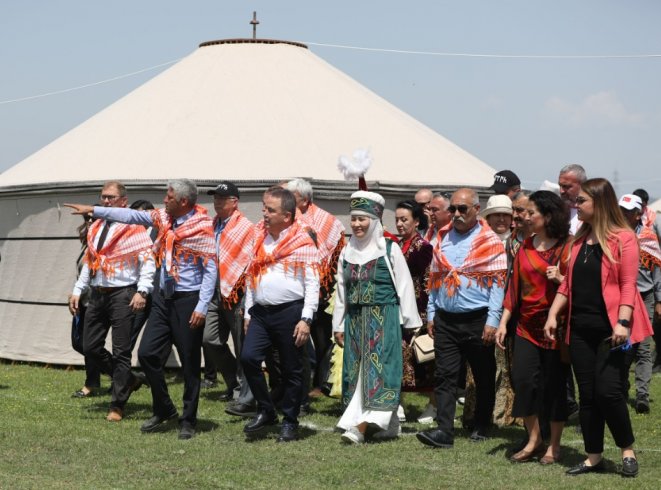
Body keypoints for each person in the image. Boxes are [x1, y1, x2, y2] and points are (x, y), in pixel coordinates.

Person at [66, 179, 217, 440]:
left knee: (190, 362)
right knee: (147, 355)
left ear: (183, 201)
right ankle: (164, 408)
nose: (164, 200)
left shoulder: (201, 228)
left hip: (188, 299)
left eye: (169, 196)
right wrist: (94, 210)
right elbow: (131, 214)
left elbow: (211, 269)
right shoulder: (163, 219)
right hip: (163, 297)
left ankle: (188, 419)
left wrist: (202, 306)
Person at [544, 178, 653, 477]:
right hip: (580, 329)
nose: (575, 205)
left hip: (615, 330)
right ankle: (594, 457)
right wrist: (553, 315)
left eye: (581, 201)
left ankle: (627, 451)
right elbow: (567, 284)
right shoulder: (578, 240)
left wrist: (623, 322)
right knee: (588, 396)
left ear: (599, 203)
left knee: (609, 392)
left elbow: (629, 284)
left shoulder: (624, 238)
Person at [416, 188, 506, 449]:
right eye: (453, 209)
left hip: (478, 319)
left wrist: (492, 320)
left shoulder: (491, 242)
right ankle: (444, 429)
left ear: (476, 210)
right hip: (446, 319)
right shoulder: (442, 238)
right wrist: (432, 313)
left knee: (483, 374)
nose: (456, 214)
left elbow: (498, 285)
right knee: (444, 375)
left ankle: (481, 423)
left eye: (462, 209)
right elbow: (435, 277)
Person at [333, 191, 421, 443]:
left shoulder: (389, 249)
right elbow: (342, 291)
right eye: (354, 219)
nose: (357, 224)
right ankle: (390, 424)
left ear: (374, 221)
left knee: (378, 372)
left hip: (384, 319)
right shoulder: (346, 251)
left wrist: (411, 324)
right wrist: (338, 323)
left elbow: (404, 286)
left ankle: (359, 428)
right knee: (357, 371)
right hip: (355, 321)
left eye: (363, 219)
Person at [68, 181, 155, 422]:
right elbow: (90, 260)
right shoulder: (95, 227)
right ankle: (128, 379)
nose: (106, 201)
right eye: (104, 197)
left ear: (123, 202)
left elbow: (148, 261)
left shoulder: (135, 227)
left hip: (123, 293)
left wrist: (143, 291)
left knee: (121, 350)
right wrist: (78, 290)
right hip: (98, 293)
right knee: (89, 346)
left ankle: (117, 405)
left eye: (111, 198)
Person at [495, 190, 571, 465]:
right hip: (525, 326)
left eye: (531, 213)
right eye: (524, 213)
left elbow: (578, 286)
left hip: (555, 328)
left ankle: (554, 445)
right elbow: (513, 287)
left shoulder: (568, 246)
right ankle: (534, 439)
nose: (524, 217)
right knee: (524, 381)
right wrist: (503, 321)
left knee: (553, 386)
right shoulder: (525, 245)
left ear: (548, 216)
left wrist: (561, 277)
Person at [240, 187, 320, 443]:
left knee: (292, 370)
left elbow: (312, 283)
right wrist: (248, 311)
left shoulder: (302, 240)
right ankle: (266, 409)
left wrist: (306, 318)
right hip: (261, 312)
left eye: (270, 210)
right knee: (249, 358)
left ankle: (290, 421)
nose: (264, 213)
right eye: (264, 208)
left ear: (286, 216)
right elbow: (252, 274)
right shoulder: (258, 236)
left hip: (290, 312)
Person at [286, 178, 345, 398]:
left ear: (305, 199)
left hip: (321, 289)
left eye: (293, 197)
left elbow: (336, 253)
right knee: (296, 339)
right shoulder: (286, 219)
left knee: (322, 340)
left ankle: (321, 385)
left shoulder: (326, 220)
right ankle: (298, 381)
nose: (289, 201)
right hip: (293, 286)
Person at [201, 181, 256, 413]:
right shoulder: (211, 224)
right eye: (215, 199)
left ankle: (244, 393)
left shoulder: (246, 227)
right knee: (209, 339)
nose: (216, 203)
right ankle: (233, 382)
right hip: (213, 290)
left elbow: (250, 261)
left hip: (237, 290)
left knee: (242, 344)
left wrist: (247, 300)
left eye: (222, 199)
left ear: (234, 202)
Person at [619, 193, 661, 414]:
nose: (624, 215)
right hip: (621, 298)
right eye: (621, 210)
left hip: (645, 297)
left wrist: (659, 300)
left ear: (638, 214)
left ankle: (642, 395)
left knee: (644, 348)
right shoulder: (613, 236)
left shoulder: (648, 236)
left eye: (628, 211)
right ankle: (622, 388)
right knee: (623, 346)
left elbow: (656, 272)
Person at [394, 200, 435, 423]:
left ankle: (433, 404)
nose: (400, 224)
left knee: (423, 359)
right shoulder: (397, 245)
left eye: (404, 219)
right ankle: (397, 402)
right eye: (397, 220)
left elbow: (428, 281)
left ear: (416, 221)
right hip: (398, 310)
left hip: (419, 310)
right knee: (397, 357)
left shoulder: (424, 247)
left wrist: (428, 314)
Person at [69, 214, 102, 398]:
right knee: (79, 343)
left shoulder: (104, 243)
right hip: (83, 301)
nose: (89, 221)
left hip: (96, 302)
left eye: (93, 217)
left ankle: (91, 384)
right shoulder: (87, 244)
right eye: (86, 218)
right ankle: (122, 375)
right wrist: (74, 295)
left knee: (88, 344)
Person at [557, 164, 587, 235]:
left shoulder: (593, 212)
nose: (561, 191)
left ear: (581, 184)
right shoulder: (556, 211)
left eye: (566, 186)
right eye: (560, 186)